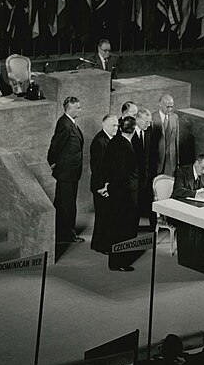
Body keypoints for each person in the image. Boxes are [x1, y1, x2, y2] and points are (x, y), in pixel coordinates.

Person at [102, 116, 139, 271]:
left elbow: (106, 166)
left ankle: (116, 261)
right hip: (125, 195)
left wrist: (107, 186)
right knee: (125, 229)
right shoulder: (126, 147)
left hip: (115, 192)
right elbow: (122, 173)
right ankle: (121, 262)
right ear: (134, 129)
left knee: (116, 227)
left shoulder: (113, 142)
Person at [48, 97, 85, 244]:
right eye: (77, 108)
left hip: (71, 171)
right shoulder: (64, 124)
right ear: (69, 109)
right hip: (66, 173)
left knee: (66, 203)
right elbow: (55, 145)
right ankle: (67, 235)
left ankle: (62, 233)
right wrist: (53, 162)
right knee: (66, 205)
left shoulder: (70, 123)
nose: (80, 110)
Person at [90, 114, 118, 254]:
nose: (116, 128)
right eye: (113, 125)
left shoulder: (110, 139)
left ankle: (99, 244)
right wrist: (103, 187)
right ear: (104, 125)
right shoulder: (99, 142)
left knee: (106, 216)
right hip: (101, 186)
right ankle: (102, 246)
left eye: (117, 125)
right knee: (103, 217)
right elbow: (97, 168)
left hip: (107, 185)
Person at [132, 108, 155, 229]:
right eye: (146, 121)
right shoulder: (129, 133)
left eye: (149, 121)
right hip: (134, 177)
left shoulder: (149, 131)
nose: (149, 124)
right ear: (137, 120)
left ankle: (153, 230)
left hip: (147, 175)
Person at [151, 94, 180, 176]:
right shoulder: (152, 118)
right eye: (168, 107)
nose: (170, 109)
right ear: (160, 105)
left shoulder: (175, 118)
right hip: (157, 159)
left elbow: (176, 140)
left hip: (171, 160)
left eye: (172, 106)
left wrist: (177, 161)